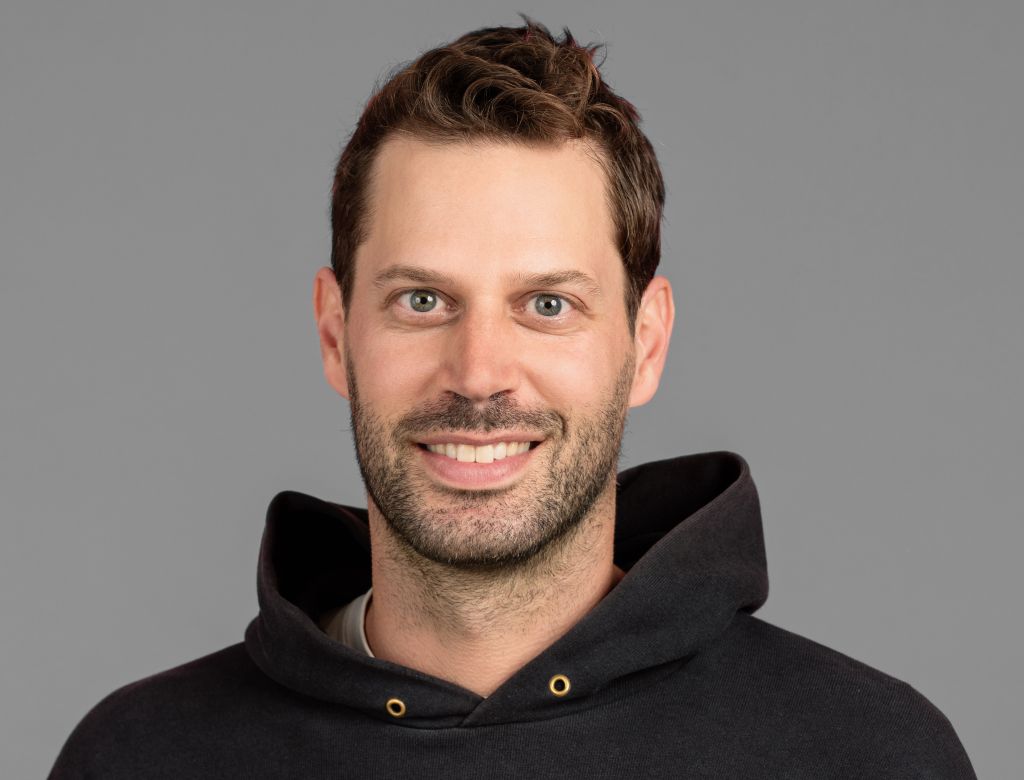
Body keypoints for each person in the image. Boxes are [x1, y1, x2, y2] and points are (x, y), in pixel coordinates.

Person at [49, 18, 976, 779]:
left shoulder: (872, 757)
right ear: (335, 334)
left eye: (547, 305)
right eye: (423, 301)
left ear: (646, 344)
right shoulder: (137, 758)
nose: (479, 372)